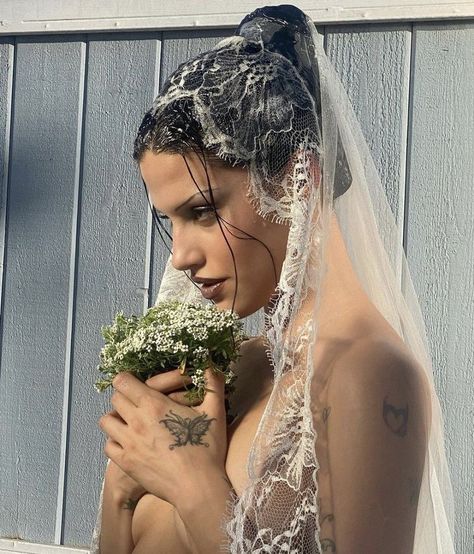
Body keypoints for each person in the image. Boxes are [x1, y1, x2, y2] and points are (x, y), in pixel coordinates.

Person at [91, 5, 455, 553]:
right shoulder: (238, 366)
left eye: (205, 211)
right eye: (171, 222)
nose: (182, 255)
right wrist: (121, 489)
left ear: (295, 181)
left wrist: (192, 486)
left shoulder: (364, 376)